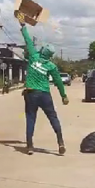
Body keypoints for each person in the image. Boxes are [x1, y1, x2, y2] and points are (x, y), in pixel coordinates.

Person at [19, 16, 69, 155]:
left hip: (31, 94)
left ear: (42, 51)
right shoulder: (51, 66)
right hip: (45, 95)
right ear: (50, 55)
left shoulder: (33, 57)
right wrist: (63, 96)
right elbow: (58, 81)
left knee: (30, 118)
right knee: (53, 117)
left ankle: (29, 146)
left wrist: (22, 25)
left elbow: (28, 40)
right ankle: (60, 143)